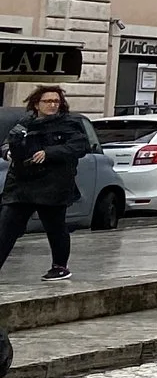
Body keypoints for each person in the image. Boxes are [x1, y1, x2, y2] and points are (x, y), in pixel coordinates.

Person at [0, 85, 93, 283]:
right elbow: (8, 142)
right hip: (22, 185)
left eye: (56, 102)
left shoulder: (69, 123)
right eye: (47, 101)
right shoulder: (24, 123)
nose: (52, 105)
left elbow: (80, 146)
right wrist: (8, 152)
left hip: (53, 185)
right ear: (36, 104)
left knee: (55, 227)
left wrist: (49, 153)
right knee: (6, 226)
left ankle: (60, 266)